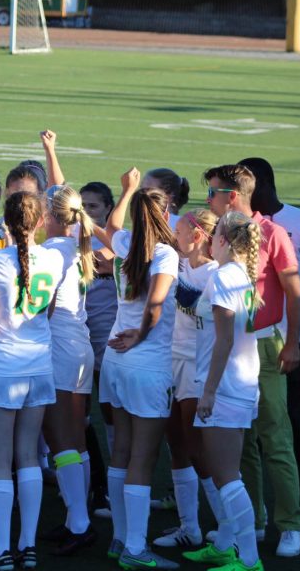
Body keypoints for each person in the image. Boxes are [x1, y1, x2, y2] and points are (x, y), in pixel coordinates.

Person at [203, 164, 300, 558]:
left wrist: (293, 343)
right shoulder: (220, 230)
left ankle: (290, 524)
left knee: (275, 436)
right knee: (240, 442)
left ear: (233, 196)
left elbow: (295, 293)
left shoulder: (274, 233)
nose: (208, 199)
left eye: (212, 192)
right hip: (229, 346)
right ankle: (254, 521)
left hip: (262, 343)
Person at [0, 191, 64, 570]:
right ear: (41, 222)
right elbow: (48, 310)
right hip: (39, 366)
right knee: (28, 458)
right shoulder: (54, 259)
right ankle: (28, 545)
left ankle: (2, 548)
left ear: (5, 221)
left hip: (2, 368)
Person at [241, 157, 300, 540]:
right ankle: (256, 513)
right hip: (242, 345)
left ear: (259, 182)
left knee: (292, 428)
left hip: (286, 346)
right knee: (246, 434)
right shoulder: (235, 227)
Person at [100, 168, 180, 570]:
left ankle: (118, 537)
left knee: (121, 450)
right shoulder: (165, 253)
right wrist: (142, 336)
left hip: (114, 360)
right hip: (147, 364)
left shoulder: (126, 242)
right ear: (166, 215)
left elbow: (112, 223)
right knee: (142, 460)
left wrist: (126, 190)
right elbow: (156, 304)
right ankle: (134, 549)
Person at [182, 211, 265, 571]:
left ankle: (248, 560)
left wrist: (210, 392)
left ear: (225, 241)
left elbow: (224, 340)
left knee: (227, 476)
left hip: (227, 387)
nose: (210, 239)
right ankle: (227, 545)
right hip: (238, 384)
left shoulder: (225, 278)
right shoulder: (236, 276)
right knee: (225, 472)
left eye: (215, 234)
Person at [153, 209, 219, 550]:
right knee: (175, 443)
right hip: (171, 361)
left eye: (177, 230)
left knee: (197, 448)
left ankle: (228, 529)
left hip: (198, 366)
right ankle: (189, 527)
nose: (172, 236)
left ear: (196, 236)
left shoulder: (216, 273)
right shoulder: (176, 264)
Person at [39, 184, 98, 555]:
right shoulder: (80, 248)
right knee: (76, 439)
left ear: (48, 216)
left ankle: (79, 522)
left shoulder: (50, 252)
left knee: (61, 440)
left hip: (59, 350)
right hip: (80, 346)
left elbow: (42, 309)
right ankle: (78, 517)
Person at [79, 181, 116, 516]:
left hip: (107, 345)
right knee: (78, 415)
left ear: (108, 208)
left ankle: (117, 485)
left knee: (111, 415)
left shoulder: (118, 245)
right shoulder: (70, 244)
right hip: (77, 342)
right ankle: (96, 485)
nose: (87, 212)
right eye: (83, 206)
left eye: (93, 206)